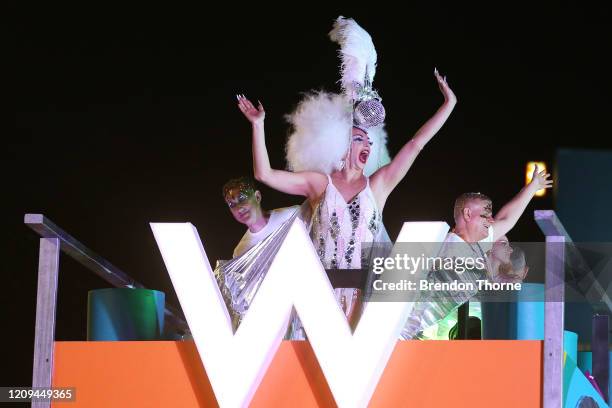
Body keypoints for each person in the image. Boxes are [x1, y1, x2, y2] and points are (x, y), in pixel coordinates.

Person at [400, 166, 552, 339]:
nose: (491, 220)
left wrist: (532, 187)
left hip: (418, 331)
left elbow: (506, 219)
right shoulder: (443, 245)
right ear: (467, 214)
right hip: (400, 326)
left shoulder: (479, 244)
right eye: (485, 215)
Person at [222, 176, 299, 258]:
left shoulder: (292, 215)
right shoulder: (240, 252)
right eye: (232, 205)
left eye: (242, 198)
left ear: (257, 197)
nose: (239, 208)